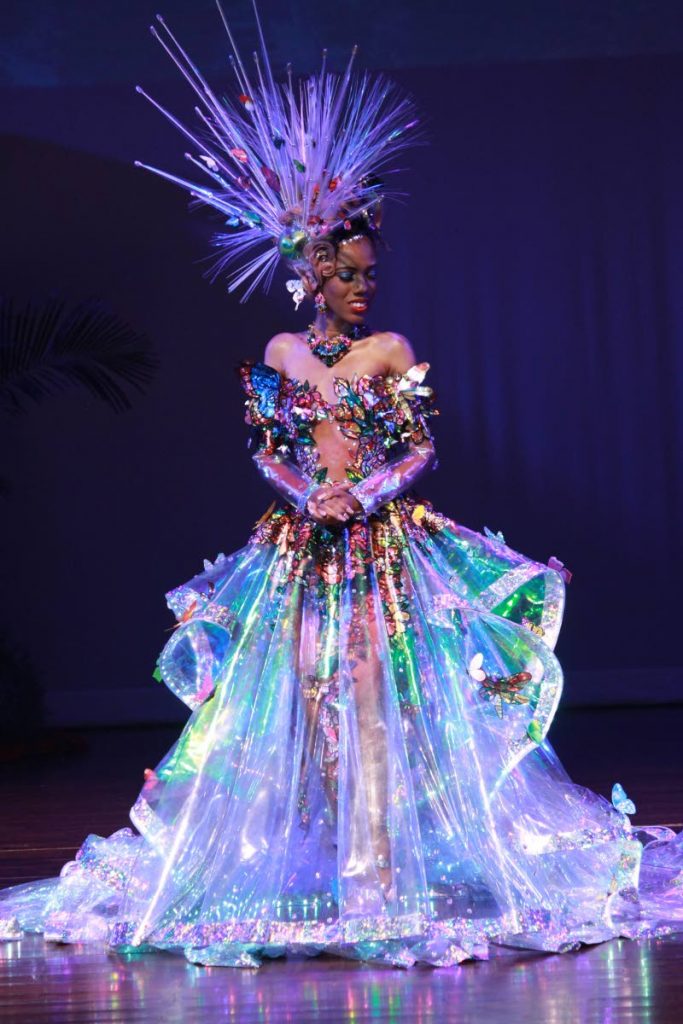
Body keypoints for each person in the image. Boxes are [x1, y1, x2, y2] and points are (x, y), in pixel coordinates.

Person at [2, 3, 683, 969]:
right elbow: (264, 449)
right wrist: (301, 494)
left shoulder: (390, 350)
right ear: (313, 271)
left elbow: (416, 453)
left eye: (371, 273)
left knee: (377, 695)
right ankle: (309, 857)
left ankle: (377, 869)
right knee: (294, 700)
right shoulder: (280, 350)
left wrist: (358, 496)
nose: (365, 288)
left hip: (378, 544)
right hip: (301, 547)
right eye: (350, 274)